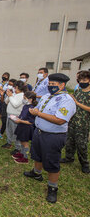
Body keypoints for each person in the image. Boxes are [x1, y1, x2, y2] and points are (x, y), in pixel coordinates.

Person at [24, 73, 76, 203]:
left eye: (54, 84)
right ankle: (37, 173)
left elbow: (60, 120)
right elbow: (38, 108)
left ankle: (52, 188)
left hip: (53, 136)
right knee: (37, 155)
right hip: (39, 132)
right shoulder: (47, 96)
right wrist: (34, 110)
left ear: (62, 85)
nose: (50, 86)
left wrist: (38, 114)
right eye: (50, 84)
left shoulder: (66, 100)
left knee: (52, 161)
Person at [60, 71, 90, 174]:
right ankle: (69, 157)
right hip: (72, 121)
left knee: (81, 144)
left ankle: (85, 163)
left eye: (85, 80)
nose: (82, 82)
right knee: (70, 141)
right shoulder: (78, 91)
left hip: (83, 123)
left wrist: (77, 103)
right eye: (80, 80)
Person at [1, 81, 26, 155]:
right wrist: (9, 95)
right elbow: (6, 102)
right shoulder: (14, 94)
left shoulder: (22, 96)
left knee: (16, 132)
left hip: (16, 116)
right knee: (9, 130)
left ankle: (18, 148)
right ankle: (9, 143)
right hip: (9, 114)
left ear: (17, 87)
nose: (13, 88)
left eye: (14, 87)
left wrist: (11, 96)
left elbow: (15, 104)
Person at [12, 91, 37, 164]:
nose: (23, 99)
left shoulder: (32, 109)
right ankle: (22, 153)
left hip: (26, 128)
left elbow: (31, 122)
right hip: (21, 126)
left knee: (25, 143)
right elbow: (22, 116)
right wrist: (17, 118)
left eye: (25, 98)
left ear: (31, 99)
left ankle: (25, 157)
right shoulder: (25, 106)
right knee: (21, 141)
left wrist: (20, 121)